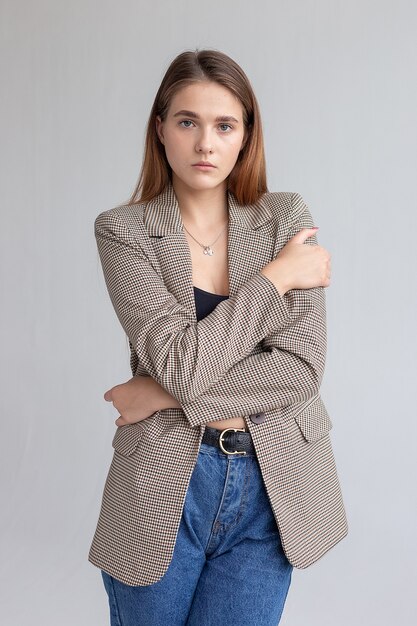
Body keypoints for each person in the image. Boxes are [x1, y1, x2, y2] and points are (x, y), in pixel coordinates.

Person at [89, 48, 348, 626]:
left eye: (224, 125)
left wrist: (156, 394)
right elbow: (180, 363)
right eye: (188, 122)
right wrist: (276, 278)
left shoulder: (284, 218)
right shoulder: (125, 231)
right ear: (160, 130)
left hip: (269, 487)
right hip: (161, 488)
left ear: (244, 136)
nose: (206, 143)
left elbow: (301, 373)